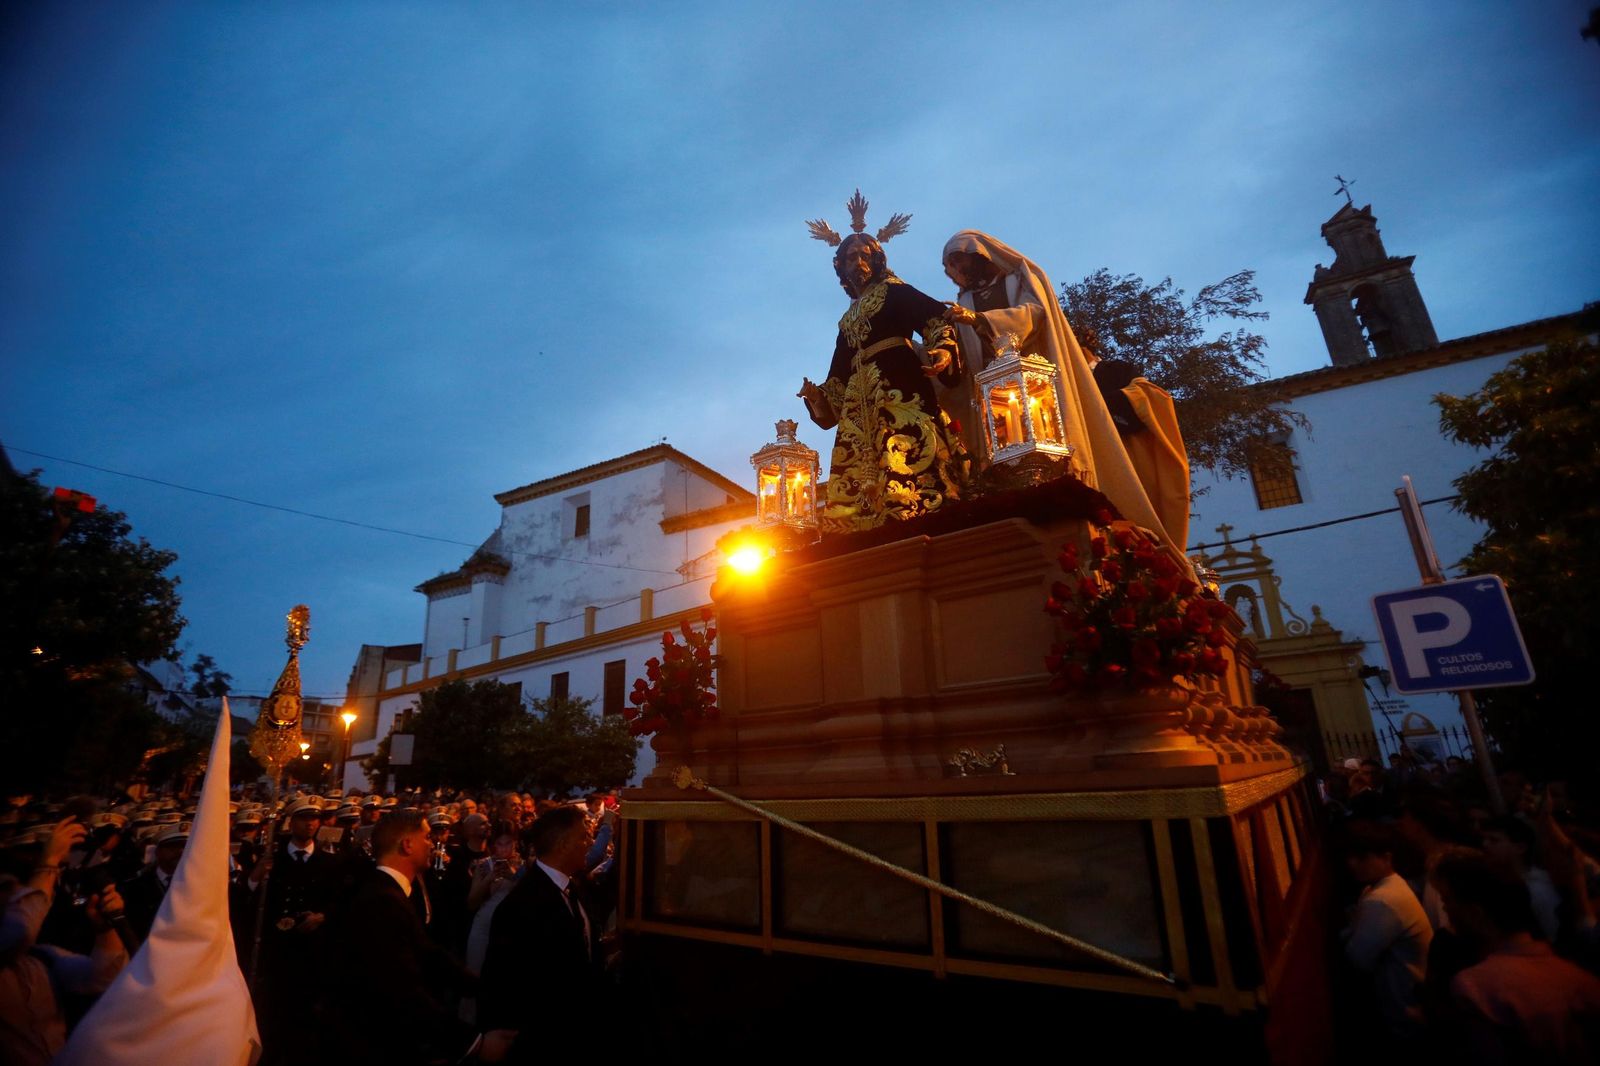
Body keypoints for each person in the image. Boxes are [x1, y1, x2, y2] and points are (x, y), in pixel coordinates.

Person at [940, 231, 1186, 558]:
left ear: (980, 254)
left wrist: (981, 320)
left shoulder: (1018, 280)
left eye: (959, 258)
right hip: (994, 397)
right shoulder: (964, 302)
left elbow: (1035, 313)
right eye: (950, 265)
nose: (957, 268)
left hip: (1036, 385)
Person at [798, 223, 968, 534]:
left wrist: (942, 349)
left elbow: (933, 318)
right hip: (858, 399)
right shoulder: (847, 319)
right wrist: (819, 397)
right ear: (841, 266)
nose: (858, 263)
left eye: (865, 256)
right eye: (851, 258)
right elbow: (838, 373)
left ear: (877, 260)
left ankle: (913, 502)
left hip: (898, 384)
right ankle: (863, 518)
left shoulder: (894, 290)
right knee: (863, 461)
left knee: (904, 448)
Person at [315, 810, 513, 1065]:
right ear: (407, 844)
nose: (433, 844)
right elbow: (400, 988)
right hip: (372, 1043)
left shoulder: (391, 892)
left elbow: (429, 953)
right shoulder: (382, 901)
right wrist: (474, 1042)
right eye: (427, 837)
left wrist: (484, 988)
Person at [1431, 850, 1600, 1064]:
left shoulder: (1476, 988)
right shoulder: (1583, 980)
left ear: (1475, 913)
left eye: (1448, 901)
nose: (1445, 910)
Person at [0, 818, 129, 1066]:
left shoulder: (40, 958)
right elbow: (20, 928)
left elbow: (103, 978)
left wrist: (105, 932)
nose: (17, 898)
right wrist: (48, 865)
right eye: (8, 890)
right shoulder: (9, 944)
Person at [478, 806, 600, 1060]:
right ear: (564, 844)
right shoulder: (522, 904)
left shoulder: (573, 888)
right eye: (584, 836)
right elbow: (502, 979)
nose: (590, 843)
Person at [1341, 821, 1432, 1042]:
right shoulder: (1387, 886)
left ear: (1386, 857)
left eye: (1362, 857)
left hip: (1402, 1009)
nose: (1352, 864)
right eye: (1350, 856)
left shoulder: (1383, 900)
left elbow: (1357, 959)